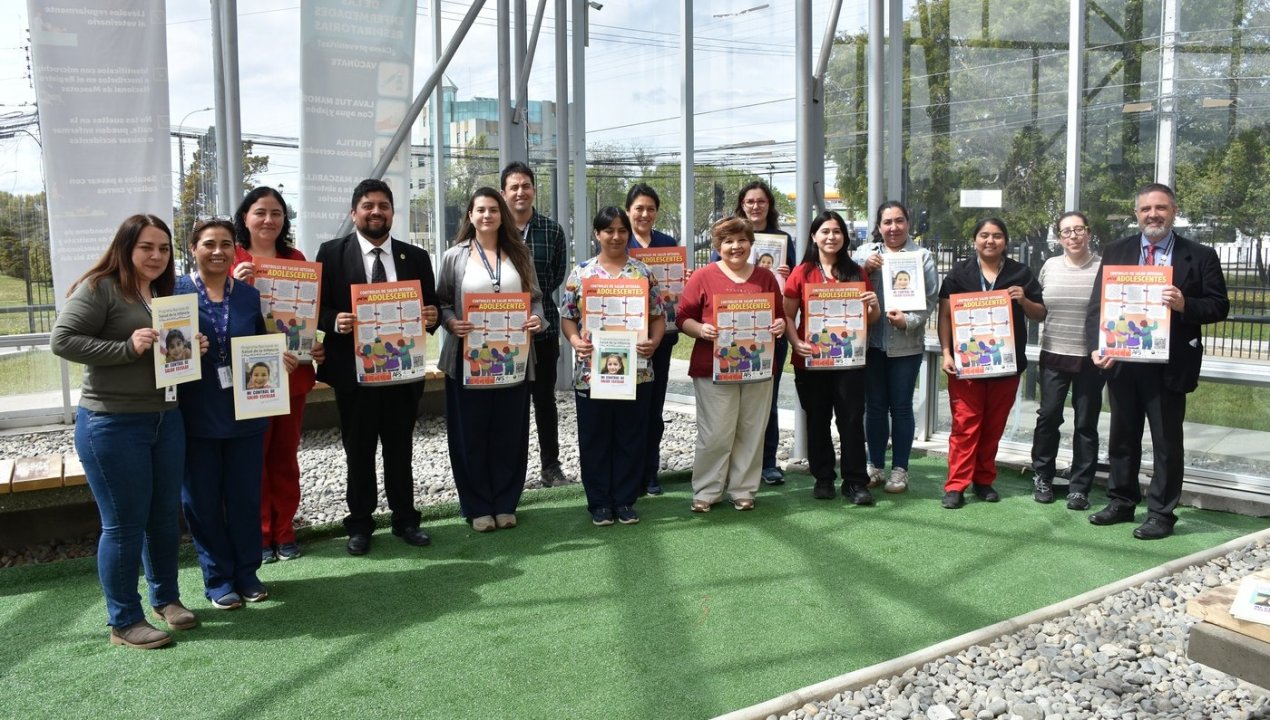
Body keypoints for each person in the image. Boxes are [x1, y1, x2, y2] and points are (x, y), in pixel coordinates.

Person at [51, 214, 203, 649]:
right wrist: (126, 347)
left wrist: (191, 349)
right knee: (123, 525)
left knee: (163, 517)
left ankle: (166, 599)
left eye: (164, 248)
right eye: (146, 247)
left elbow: (166, 351)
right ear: (126, 247)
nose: (156, 256)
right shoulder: (100, 287)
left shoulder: (162, 292)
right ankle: (123, 620)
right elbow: (62, 340)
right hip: (113, 422)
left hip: (166, 418)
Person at [1085, 183, 1229, 539]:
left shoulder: (1200, 255)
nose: (1153, 215)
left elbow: (1219, 306)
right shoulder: (1116, 250)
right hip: (1123, 360)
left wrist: (1185, 304)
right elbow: (1097, 306)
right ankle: (1121, 501)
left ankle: (1162, 513)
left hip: (1169, 364)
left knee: (1166, 442)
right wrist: (1096, 347)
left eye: (1160, 208)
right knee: (1122, 436)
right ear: (1136, 214)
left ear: (1173, 211)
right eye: (1146, 209)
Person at [316, 178, 440, 555]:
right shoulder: (331, 254)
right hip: (354, 376)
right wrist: (333, 320)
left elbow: (432, 308)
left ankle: (406, 520)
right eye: (368, 206)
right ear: (354, 213)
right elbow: (316, 308)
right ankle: (360, 524)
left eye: (383, 206)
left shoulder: (414, 257)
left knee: (400, 451)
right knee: (359, 452)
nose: (376, 212)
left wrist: (432, 315)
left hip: (402, 374)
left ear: (392, 213)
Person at [175, 218, 273, 609]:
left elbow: (261, 344)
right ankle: (217, 579)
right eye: (209, 244)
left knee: (245, 497)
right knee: (201, 502)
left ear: (235, 250)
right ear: (193, 248)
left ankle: (247, 573)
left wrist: (279, 358)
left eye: (226, 244)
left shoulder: (248, 295)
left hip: (247, 413)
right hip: (195, 413)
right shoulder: (174, 293)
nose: (218, 251)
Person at [437, 187, 545, 532]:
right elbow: (441, 303)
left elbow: (536, 299)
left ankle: (505, 502)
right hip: (467, 362)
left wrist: (536, 319)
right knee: (470, 435)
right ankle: (477, 506)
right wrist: (451, 323)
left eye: (493, 210)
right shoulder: (454, 256)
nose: (487, 215)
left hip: (513, 359)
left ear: (502, 215)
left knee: (509, 434)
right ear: (470, 216)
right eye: (480, 210)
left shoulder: (520, 253)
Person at [230, 186, 324, 563]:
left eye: (277, 213)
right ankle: (260, 533)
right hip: (250, 376)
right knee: (253, 458)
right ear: (245, 217)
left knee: (285, 456)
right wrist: (234, 284)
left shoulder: (295, 259)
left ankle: (284, 530)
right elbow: (210, 307)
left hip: (291, 374)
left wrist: (314, 346)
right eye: (260, 212)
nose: (269, 220)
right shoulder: (231, 257)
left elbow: (307, 315)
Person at [560, 206, 666, 525]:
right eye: (609, 230)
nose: (616, 236)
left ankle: (624, 500)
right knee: (595, 437)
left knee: (630, 437)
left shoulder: (643, 273)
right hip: (592, 372)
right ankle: (599, 503)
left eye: (622, 230)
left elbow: (658, 316)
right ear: (597, 234)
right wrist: (575, 340)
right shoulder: (582, 273)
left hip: (636, 371)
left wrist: (654, 341)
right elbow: (568, 317)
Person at [677, 216, 785, 512]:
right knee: (715, 432)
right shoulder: (703, 276)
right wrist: (701, 329)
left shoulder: (765, 277)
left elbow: (779, 315)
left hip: (757, 366)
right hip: (712, 368)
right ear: (718, 246)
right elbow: (683, 317)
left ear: (751, 243)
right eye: (728, 241)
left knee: (751, 430)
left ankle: (743, 488)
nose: (736, 246)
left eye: (742, 240)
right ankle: (707, 489)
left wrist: (779, 325)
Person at [937, 218, 1046, 509]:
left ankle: (983, 480)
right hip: (966, 366)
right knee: (965, 426)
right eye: (984, 235)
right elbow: (945, 316)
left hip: (1006, 366)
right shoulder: (959, 273)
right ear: (975, 240)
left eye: (997, 236)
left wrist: (1023, 300)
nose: (990, 241)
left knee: (993, 426)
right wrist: (946, 353)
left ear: (1005, 241)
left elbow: (1040, 313)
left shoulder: (1020, 273)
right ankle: (956, 485)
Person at [783, 211, 881, 504]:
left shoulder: (856, 272)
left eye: (837, 231)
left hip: (849, 361)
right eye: (825, 231)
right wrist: (795, 342)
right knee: (817, 419)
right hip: (811, 360)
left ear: (844, 237)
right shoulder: (802, 273)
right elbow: (787, 315)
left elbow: (870, 319)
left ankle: (855, 481)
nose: (831, 237)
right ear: (814, 236)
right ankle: (823, 477)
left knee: (851, 420)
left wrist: (874, 305)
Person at [854, 202, 939, 494]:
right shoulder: (864, 253)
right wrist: (864, 269)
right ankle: (875, 466)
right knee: (874, 407)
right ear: (879, 226)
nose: (893, 227)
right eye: (887, 222)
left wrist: (908, 321)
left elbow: (930, 300)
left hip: (905, 345)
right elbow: (845, 285)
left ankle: (900, 469)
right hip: (870, 344)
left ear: (908, 223)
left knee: (901, 407)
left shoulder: (922, 257)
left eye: (899, 221)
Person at [501, 162, 571, 488]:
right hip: (501, 333)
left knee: (544, 400)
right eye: (514, 187)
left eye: (526, 186)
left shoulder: (552, 231)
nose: (520, 192)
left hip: (545, 329)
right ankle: (510, 470)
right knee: (509, 404)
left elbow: (554, 277)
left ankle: (551, 467)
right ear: (504, 192)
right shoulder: (493, 229)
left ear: (534, 190)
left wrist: (534, 307)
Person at [1029, 211, 1105, 509]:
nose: (1073, 236)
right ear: (1059, 238)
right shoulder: (1049, 266)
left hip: (1090, 358)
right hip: (1054, 353)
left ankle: (1080, 487)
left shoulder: (1103, 268)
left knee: (1086, 422)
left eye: (1079, 229)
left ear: (1089, 233)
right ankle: (1042, 477)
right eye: (1066, 231)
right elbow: (1039, 309)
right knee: (1048, 417)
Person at [733, 181, 795, 486]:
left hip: (772, 329)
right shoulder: (732, 237)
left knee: (767, 399)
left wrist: (788, 275)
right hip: (736, 328)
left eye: (761, 201)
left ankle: (767, 462)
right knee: (734, 400)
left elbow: (794, 285)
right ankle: (736, 462)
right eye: (750, 201)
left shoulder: (783, 240)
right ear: (741, 205)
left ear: (769, 205)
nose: (755, 206)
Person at [625, 183, 683, 495]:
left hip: (661, 337)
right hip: (625, 338)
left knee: (653, 407)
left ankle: (650, 472)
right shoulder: (619, 241)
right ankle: (628, 473)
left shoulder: (667, 244)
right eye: (639, 208)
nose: (644, 214)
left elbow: (675, 290)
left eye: (650, 209)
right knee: (628, 408)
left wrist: (684, 281)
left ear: (657, 213)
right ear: (628, 211)